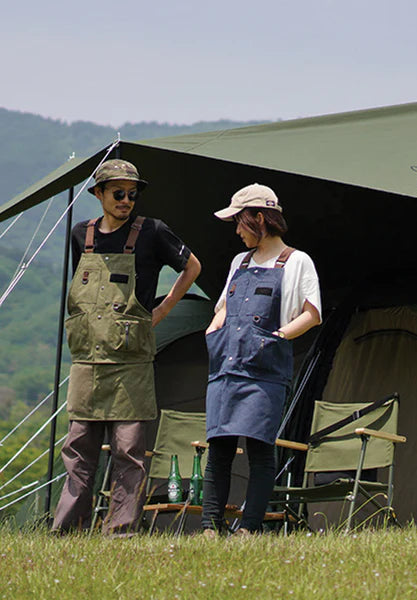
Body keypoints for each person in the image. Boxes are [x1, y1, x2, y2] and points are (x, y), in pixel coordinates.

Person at [51, 159, 201, 535]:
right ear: (98, 194)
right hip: (87, 362)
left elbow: (193, 266)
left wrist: (162, 309)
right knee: (78, 450)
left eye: (132, 194)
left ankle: (121, 530)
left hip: (131, 364)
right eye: (118, 193)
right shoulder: (80, 234)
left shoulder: (152, 231)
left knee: (129, 451)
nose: (126, 200)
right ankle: (67, 530)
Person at [202, 183, 321, 536]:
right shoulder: (238, 262)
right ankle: (210, 527)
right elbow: (223, 307)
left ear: (259, 218)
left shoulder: (297, 261)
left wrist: (278, 336)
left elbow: (312, 314)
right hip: (226, 366)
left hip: (266, 370)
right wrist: (213, 331)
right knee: (218, 449)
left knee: (259, 450)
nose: (237, 231)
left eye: (239, 222)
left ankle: (249, 529)